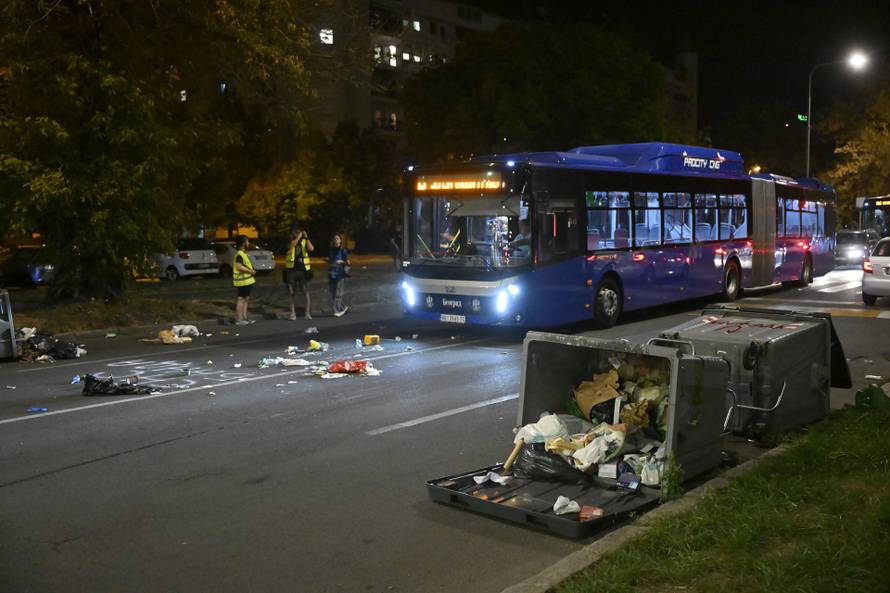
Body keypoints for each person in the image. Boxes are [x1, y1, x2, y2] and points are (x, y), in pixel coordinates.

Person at [284, 226, 314, 320]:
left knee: (306, 292)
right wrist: (298, 237)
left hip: (303, 270)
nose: (298, 234)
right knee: (291, 292)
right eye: (296, 232)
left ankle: (307, 313)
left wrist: (306, 238)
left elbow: (311, 249)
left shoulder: (304, 240)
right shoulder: (290, 241)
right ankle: (292, 313)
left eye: (299, 232)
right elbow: (291, 247)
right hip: (291, 270)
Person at [232, 235, 257, 326]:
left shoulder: (242, 253)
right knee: (241, 299)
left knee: (246, 299)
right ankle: (239, 319)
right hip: (242, 281)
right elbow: (239, 267)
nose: (248, 243)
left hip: (247, 281)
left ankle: (244, 317)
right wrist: (250, 271)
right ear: (243, 243)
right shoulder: (239, 254)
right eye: (247, 241)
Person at [328, 233, 350, 317]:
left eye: (337, 238)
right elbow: (331, 260)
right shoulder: (331, 250)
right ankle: (344, 307)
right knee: (333, 292)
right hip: (331, 273)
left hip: (339, 273)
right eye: (334, 238)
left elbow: (348, 262)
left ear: (340, 240)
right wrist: (328, 260)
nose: (336, 240)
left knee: (338, 293)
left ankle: (337, 310)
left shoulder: (343, 250)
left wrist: (342, 261)